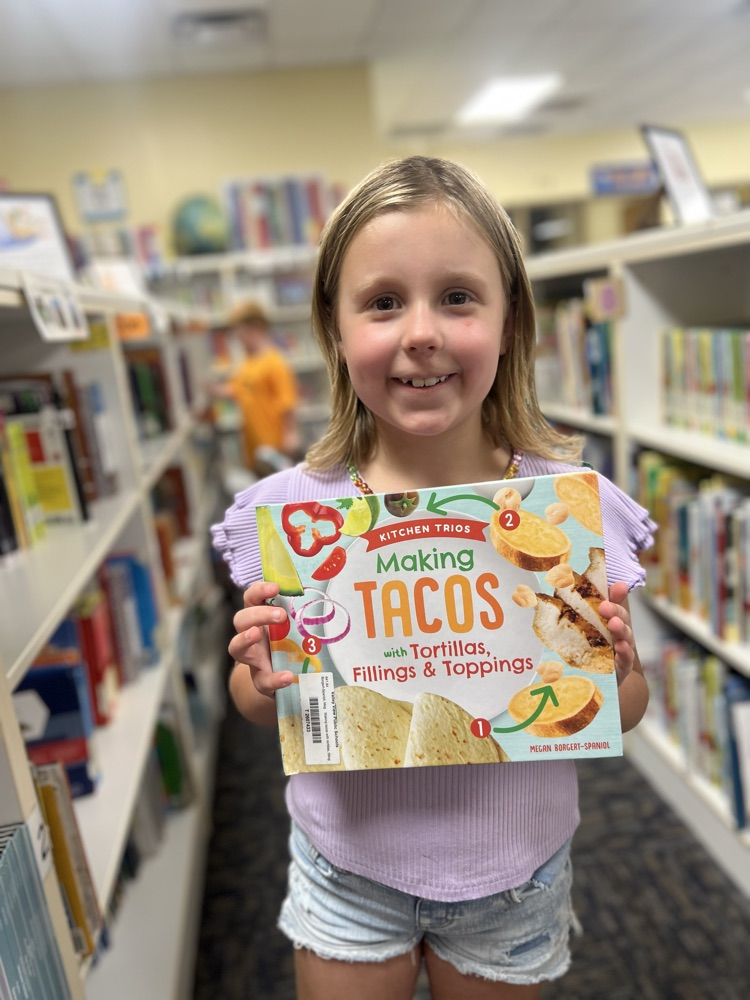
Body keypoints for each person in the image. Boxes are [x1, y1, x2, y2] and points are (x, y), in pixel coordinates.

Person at [211, 155, 656, 1000]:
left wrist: (617, 670)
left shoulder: (567, 511)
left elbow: (622, 711)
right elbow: (260, 699)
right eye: (383, 302)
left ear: (510, 320)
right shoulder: (296, 514)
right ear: (335, 329)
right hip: (347, 867)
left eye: (457, 296)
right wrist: (260, 676)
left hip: (513, 874)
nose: (421, 332)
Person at [210, 298, 301, 473]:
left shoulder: (275, 362)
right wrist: (209, 389)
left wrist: (290, 435)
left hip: (274, 448)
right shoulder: (248, 362)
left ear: (255, 328)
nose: (238, 340)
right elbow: (237, 389)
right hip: (255, 448)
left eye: (240, 333)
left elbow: (288, 404)